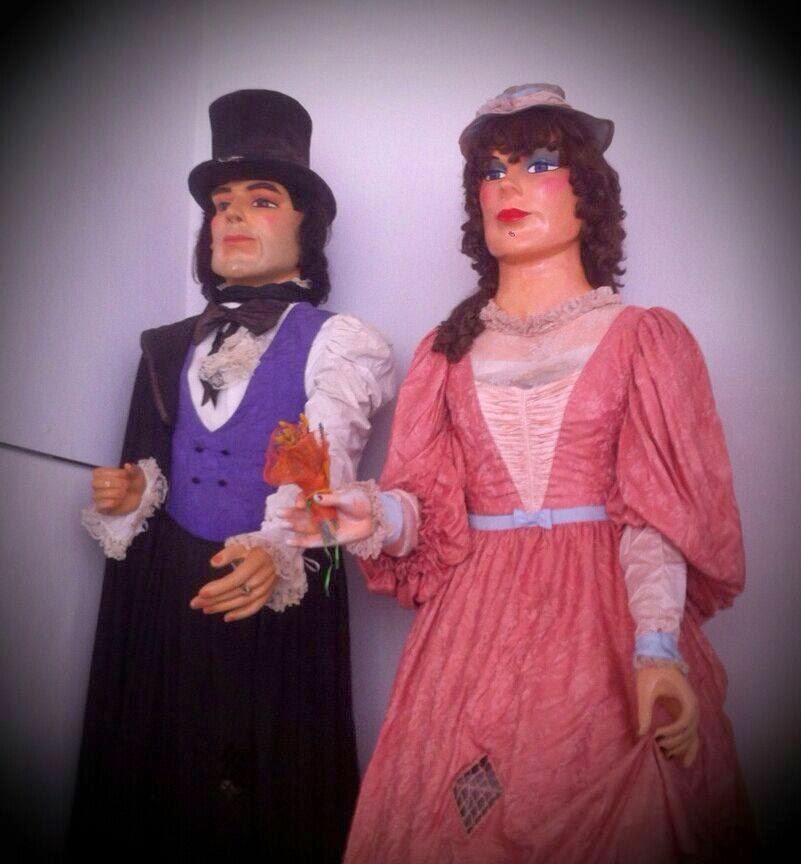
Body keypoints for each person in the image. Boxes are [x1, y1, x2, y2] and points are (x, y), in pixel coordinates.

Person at [282, 84, 751, 863]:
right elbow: (430, 507)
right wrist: (374, 516)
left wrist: (656, 649)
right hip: (473, 622)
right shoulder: (446, 350)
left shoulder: (643, 340)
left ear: (587, 194)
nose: (508, 184)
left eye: (538, 164)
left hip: (601, 616)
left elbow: (655, 514)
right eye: (492, 171)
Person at [70, 89, 395, 862]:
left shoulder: (337, 344)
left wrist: (278, 551)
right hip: (171, 596)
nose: (234, 217)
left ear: (306, 227)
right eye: (221, 205)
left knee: (258, 792)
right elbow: (161, 458)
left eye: (261, 199)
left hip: (272, 597)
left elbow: (323, 479)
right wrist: (134, 494)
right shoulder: (167, 344)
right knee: (164, 781)